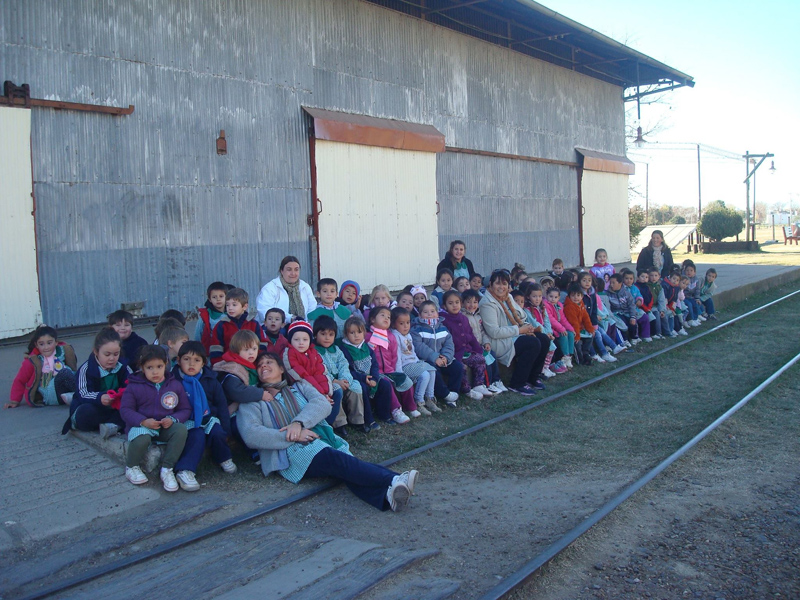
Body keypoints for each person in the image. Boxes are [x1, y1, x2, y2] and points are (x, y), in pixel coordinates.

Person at [237, 353, 419, 511]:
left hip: (320, 440)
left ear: (281, 369)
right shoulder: (253, 401)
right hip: (288, 453)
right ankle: (395, 479)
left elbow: (322, 404)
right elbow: (251, 434)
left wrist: (298, 423)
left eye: (269, 362)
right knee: (339, 461)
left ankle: (387, 497)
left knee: (344, 467)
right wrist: (292, 435)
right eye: (260, 365)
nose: (264, 366)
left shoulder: (300, 386)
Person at [120, 345, 189, 491]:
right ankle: (132, 466)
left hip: (164, 426)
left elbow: (185, 409)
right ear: (142, 367)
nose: (155, 372)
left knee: (181, 430)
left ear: (166, 364)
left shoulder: (175, 385)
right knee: (142, 439)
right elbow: (125, 410)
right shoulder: (134, 386)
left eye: (159, 366)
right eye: (149, 367)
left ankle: (167, 469)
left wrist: (173, 419)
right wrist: (143, 421)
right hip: (143, 426)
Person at [171, 341, 236, 491]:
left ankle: (223, 458)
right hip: (187, 421)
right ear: (179, 361)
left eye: (196, 360)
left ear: (203, 363)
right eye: (186, 359)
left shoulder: (210, 380)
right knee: (197, 436)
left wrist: (226, 429)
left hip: (208, 418)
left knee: (218, 432)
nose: (191, 364)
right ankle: (185, 470)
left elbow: (221, 405)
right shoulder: (173, 380)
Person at [479, 269, 548, 396]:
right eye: (498, 284)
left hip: (515, 334)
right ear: (491, 285)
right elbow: (494, 332)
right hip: (499, 341)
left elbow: (521, 316)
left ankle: (533, 377)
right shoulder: (487, 303)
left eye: (504, 284)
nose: (501, 287)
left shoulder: (508, 297)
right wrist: (519, 330)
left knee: (543, 339)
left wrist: (526, 327)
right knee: (532, 343)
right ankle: (517, 383)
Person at [62, 328, 132, 436]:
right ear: (96, 351)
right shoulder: (86, 369)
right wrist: (100, 397)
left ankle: (112, 424)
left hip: (115, 406)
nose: (112, 358)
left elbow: (133, 385)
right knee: (86, 413)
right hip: (94, 406)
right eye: (107, 354)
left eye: (116, 354)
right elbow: (83, 393)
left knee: (134, 408)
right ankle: (116, 424)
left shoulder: (123, 367)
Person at [314, 316, 373, 435]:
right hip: (327, 382)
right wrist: (335, 381)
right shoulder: (314, 351)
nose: (327, 338)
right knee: (336, 391)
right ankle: (339, 423)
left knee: (356, 387)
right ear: (315, 335)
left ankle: (357, 420)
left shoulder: (336, 349)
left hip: (342, 379)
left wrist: (344, 379)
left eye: (331, 335)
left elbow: (344, 364)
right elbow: (318, 370)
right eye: (323, 334)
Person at [282, 320, 342, 429]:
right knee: (317, 399)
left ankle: (328, 424)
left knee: (337, 390)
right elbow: (301, 376)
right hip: (302, 386)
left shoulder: (313, 352)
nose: (301, 343)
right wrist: (322, 394)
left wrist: (327, 392)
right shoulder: (289, 353)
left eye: (305, 339)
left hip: (317, 386)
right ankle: (318, 426)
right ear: (290, 340)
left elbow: (321, 372)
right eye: (296, 339)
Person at [338, 316, 398, 426]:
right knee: (363, 388)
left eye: (359, 332)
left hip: (371, 376)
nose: (356, 335)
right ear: (346, 334)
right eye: (352, 332)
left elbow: (375, 365)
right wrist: (363, 378)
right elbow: (347, 370)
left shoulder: (366, 347)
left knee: (385, 384)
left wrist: (374, 378)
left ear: (364, 333)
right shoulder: (344, 350)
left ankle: (384, 415)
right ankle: (369, 419)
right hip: (357, 378)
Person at [366, 307, 419, 419]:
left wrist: (394, 370)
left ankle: (410, 406)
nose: (386, 318)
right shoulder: (367, 337)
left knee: (406, 381)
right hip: (377, 372)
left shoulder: (390, 336)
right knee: (387, 384)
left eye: (388, 317)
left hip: (390, 370)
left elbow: (394, 356)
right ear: (372, 319)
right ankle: (396, 410)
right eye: (382, 315)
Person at [7, 325, 77, 408]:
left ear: (56, 342)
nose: (46, 347)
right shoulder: (34, 360)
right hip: (50, 393)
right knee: (65, 373)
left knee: (82, 373)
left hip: (64, 391)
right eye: (41, 344)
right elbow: (20, 380)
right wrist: (14, 400)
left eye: (49, 343)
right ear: (36, 345)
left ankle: (75, 395)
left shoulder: (62, 352)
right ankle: (84, 394)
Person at [440, 291, 491, 399]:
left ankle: (478, 384)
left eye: (457, 302)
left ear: (461, 304)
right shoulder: (444, 320)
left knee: (479, 359)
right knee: (461, 368)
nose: (454, 305)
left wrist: (478, 349)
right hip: (454, 354)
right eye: (450, 303)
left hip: (466, 351)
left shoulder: (463, 318)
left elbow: (470, 335)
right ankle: (466, 389)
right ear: (444, 306)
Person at [411, 300, 463, 407]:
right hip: (426, 360)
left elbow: (449, 344)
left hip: (442, 359)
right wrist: (435, 358)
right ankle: (444, 394)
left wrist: (446, 357)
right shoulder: (416, 329)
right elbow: (419, 347)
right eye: (425, 312)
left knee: (457, 367)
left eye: (432, 311)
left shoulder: (442, 328)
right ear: (420, 315)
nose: (429, 314)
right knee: (435, 372)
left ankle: (453, 394)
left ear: (437, 313)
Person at [390, 307, 439, 414]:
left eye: (407, 322)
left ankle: (429, 398)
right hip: (404, 367)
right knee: (425, 375)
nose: (406, 326)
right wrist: (399, 373)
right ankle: (419, 401)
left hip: (413, 363)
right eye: (401, 323)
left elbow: (412, 352)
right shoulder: (395, 336)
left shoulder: (407, 335)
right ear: (393, 324)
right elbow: (397, 355)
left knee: (432, 371)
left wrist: (418, 362)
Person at [461, 290, 506, 392]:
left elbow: (482, 331)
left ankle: (496, 380)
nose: (472, 305)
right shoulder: (463, 317)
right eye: (468, 302)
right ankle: (487, 383)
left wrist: (486, 343)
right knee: (484, 359)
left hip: (480, 345)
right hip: (472, 349)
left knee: (492, 354)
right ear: (462, 303)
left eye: (475, 302)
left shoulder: (477, 315)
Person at [210, 288, 268, 364]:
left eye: (234, 305)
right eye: (227, 305)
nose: (230, 308)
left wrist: (259, 361)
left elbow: (262, 344)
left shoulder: (253, 324)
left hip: (252, 363)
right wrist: (220, 365)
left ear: (244, 306)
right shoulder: (221, 325)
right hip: (229, 364)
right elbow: (216, 348)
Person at [255, 255, 317, 324]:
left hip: (301, 325)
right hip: (275, 327)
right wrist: (290, 319)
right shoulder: (270, 288)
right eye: (289, 269)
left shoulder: (305, 287)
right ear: (281, 271)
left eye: (296, 269)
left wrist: (304, 323)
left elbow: (312, 309)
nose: (293, 273)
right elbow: (264, 312)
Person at [523, 283, 567, 375]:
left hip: (546, 332)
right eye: (534, 296)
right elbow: (535, 323)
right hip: (536, 332)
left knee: (552, 346)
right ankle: (543, 368)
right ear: (528, 297)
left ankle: (547, 366)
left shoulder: (542, 307)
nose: (537, 299)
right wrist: (546, 333)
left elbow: (546, 321)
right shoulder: (527, 309)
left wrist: (549, 332)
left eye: (539, 296)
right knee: (547, 344)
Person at [563, 283, 600, 365]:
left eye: (578, 295)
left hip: (580, 328)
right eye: (573, 295)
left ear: (582, 296)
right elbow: (573, 322)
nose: (576, 297)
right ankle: (580, 359)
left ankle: (586, 354)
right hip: (572, 330)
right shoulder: (569, 307)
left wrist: (590, 328)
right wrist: (577, 336)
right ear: (569, 296)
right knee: (577, 343)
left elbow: (585, 317)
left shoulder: (581, 304)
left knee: (590, 337)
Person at [544, 286, 576, 370]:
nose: (553, 299)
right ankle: (564, 356)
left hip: (558, 327)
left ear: (558, 298)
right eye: (551, 296)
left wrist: (571, 329)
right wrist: (562, 329)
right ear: (547, 296)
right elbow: (551, 320)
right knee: (563, 335)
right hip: (551, 329)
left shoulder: (559, 305)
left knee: (570, 334)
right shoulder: (545, 305)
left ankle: (569, 355)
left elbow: (563, 319)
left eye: (555, 297)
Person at [194, 281, 229, 354]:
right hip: (210, 353)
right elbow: (198, 335)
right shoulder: (205, 316)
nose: (218, 299)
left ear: (227, 297)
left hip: (229, 351)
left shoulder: (232, 314)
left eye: (221, 296)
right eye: (214, 297)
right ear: (210, 299)